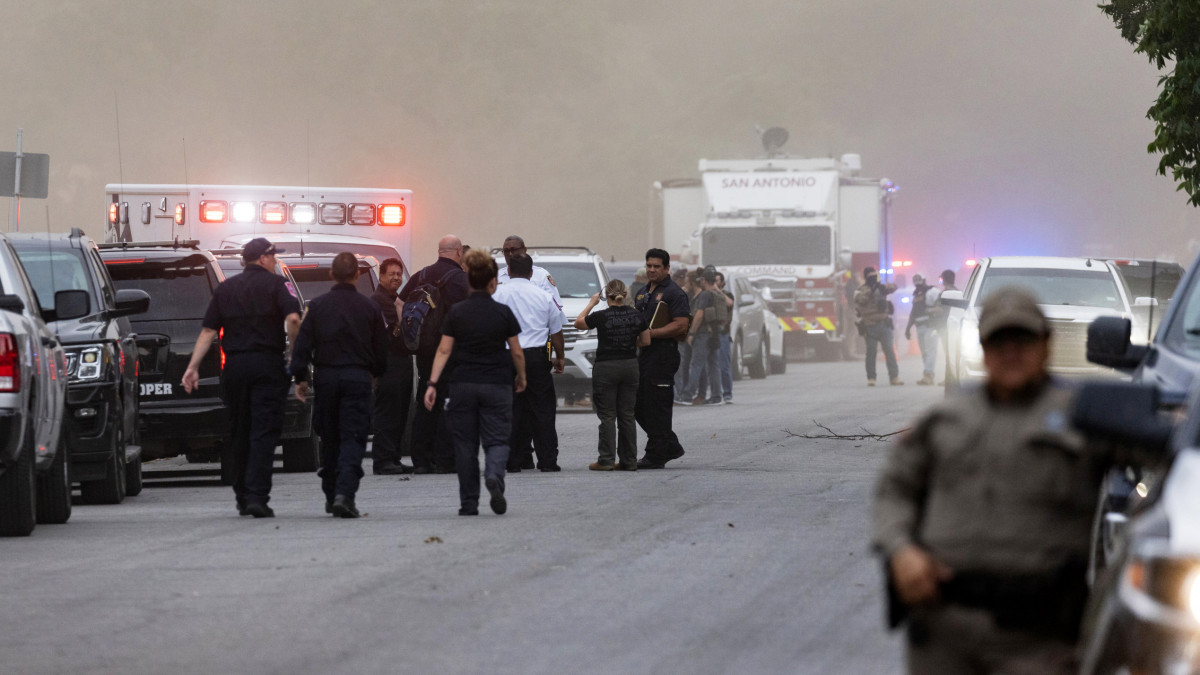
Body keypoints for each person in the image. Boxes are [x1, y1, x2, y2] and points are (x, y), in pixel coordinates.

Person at [873, 288, 1101, 674]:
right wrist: (900, 549)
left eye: (1023, 339)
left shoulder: (1087, 419)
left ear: (1046, 344)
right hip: (943, 635)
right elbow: (895, 489)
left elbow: (1166, 463)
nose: (1011, 351)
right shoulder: (945, 419)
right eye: (999, 341)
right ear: (982, 346)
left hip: (1038, 639)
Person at [182, 238, 301, 518]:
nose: (275, 261)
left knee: (239, 429)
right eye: (272, 256)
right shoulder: (277, 285)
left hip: (235, 367)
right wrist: (293, 353)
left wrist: (192, 367)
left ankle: (241, 495)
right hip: (267, 365)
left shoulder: (225, 289)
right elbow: (294, 319)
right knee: (263, 430)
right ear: (262, 258)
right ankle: (257, 496)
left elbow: (208, 332)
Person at [423, 249, 526, 516]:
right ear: (493, 281)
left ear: (469, 280)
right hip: (497, 384)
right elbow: (516, 350)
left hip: (462, 384)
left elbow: (444, 350)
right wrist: (521, 376)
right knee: (497, 440)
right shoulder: (503, 312)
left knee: (465, 446)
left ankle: (469, 503)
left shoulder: (456, 312)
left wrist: (432, 383)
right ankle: (493, 474)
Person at [288, 253, 388, 518]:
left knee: (330, 438)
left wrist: (301, 377)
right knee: (353, 437)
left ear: (332, 275)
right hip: (357, 378)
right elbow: (382, 349)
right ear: (357, 275)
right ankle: (345, 493)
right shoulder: (370, 308)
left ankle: (332, 492)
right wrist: (376, 373)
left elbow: (303, 345)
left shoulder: (317, 307)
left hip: (327, 379)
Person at [398, 235, 470, 474]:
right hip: (451, 351)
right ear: (458, 252)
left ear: (439, 251)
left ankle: (421, 459)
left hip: (424, 350)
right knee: (447, 401)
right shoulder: (462, 280)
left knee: (425, 399)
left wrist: (411, 337)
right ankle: (444, 459)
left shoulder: (420, 275)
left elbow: (399, 303)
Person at [492, 253, 565, 473]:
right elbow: (556, 332)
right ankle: (547, 460)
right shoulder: (543, 296)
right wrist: (558, 357)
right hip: (536, 357)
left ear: (509, 270)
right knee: (542, 410)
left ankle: (511, 461)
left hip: (506, 358)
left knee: (509, 409)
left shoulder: (497, 294)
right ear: (531, 272)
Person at [575, 279, 649, 470]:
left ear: (606, 296)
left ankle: (606, 460)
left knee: (607, 415)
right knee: (627, 414)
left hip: (606, 367)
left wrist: (592, 303)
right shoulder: (636, 315)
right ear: (625, 295)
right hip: (630, 365)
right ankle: (629, 460)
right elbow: (646, 341)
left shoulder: (601, 316)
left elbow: (578, 323)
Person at [633, 248, 691, 469]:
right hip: (643, 355)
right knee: (638, 403)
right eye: (649, 266)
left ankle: (656, 454)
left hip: (663, 354)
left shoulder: (674, 293)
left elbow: (681, 324)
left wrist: (651, 334)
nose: (652, 270)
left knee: (658, 405)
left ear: (667, 268)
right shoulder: (642, 292)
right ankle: (670, 444)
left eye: (657, 266)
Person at [370, 257, 414, 475]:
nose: (396, 277)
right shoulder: (380, 301)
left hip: (401, 362)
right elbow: (398, 332)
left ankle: (394, 458)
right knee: (388, 413)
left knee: (400, 413)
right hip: (389, 363)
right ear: (381, 276)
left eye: (399, 274)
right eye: (392, 274)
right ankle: (383, 460)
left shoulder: (395, 298)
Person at [679, 268, 723, 406]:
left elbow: (699, 315)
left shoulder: (704, 295)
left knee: (696, 364)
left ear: (704, 280)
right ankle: (716, 396)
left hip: (703, 334)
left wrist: (691, 333)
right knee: (713, 365)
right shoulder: (715, 293)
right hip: (713, 334)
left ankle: (687, 395)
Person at [854, 266, 903, 386]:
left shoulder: (881, 288)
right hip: (869, 326)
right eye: (870, 275)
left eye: (874, 275)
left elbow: (894, 287)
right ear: (866, 277)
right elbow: (859, 299)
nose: (873, 278)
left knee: (890, 351)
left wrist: (882, 287)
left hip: (884, 324)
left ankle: (894, 377)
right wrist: (871, 290)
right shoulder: (860, 290)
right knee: (871, 353)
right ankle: (871, 378)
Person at [904, 273, 937, 386]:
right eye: (915, 280)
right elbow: (913, 313)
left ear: (924, 280)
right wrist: (908, 328)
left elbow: (940, 305)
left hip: (930, 326)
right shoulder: (916, 295)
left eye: (919, 280)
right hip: (919, 327)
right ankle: (928, 376)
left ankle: (928, 374)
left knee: (930, 351)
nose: (917, 283)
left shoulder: (932, 291)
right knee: (924, 353)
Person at [928, 269, 958, 386]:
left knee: (948, 354)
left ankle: (949, 379)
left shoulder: (945, 293)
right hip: (956, 327)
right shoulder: (958, 292)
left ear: (943, 280)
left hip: (946, 327)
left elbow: (939, 309)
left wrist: (929, 310)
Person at [714, 271, 735, 404]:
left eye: (717, 281)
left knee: (724, 365)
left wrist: (716, 290)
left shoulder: (726, 294)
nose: (715, 283)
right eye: (713, 280)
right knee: (711, 365)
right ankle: (714, 394)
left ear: (722, 283)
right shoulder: (708, 295)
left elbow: (729, 303)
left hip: (723, 334)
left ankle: (727, 393)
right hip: (711, 334)